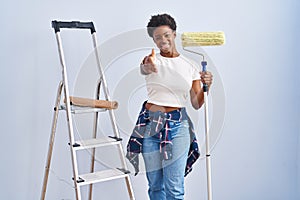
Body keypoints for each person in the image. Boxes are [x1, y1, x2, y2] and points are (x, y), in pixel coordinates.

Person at [126, 13, 213, 200]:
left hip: (177, 127)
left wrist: (207, 86)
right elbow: (145, 68)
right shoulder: (151, 60)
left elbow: (196, 103)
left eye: (166, 35)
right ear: (154, 41)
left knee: (174, 189)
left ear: (174, 34)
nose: (162, 40)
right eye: (157, 38)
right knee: (155, 186)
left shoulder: (190, 66)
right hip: (150, 126)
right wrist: (147, 65)